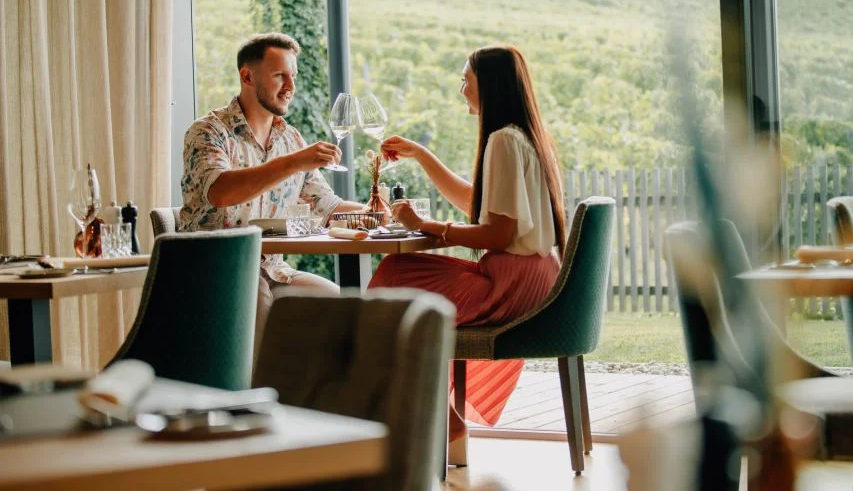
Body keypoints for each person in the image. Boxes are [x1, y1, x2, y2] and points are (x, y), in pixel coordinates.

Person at [368, 44, 567, 464]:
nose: (461, 89)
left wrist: (426, 226)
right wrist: (422, 156)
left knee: (393, 278)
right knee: (399, 275)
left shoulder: (503, 141)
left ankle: (426, 420)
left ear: (488, 85)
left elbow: (497, 234)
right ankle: (441, 422)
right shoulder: (522, 137)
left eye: (466, 80)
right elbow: (478, 207)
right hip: (534, 277)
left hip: (509, 284)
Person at [179, 32, 365, 350]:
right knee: (256, 298)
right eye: (280, 75)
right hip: (215, 270)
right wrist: (293, 163)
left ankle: (317, 385)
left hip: (274, 270)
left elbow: (327, 206)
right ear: (247, 76)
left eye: (293, 76)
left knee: (348, 312)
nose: (291, 86)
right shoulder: (208, 132)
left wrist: (377, 212)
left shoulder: (290, 139)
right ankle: (251, 385)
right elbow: (221, 191)